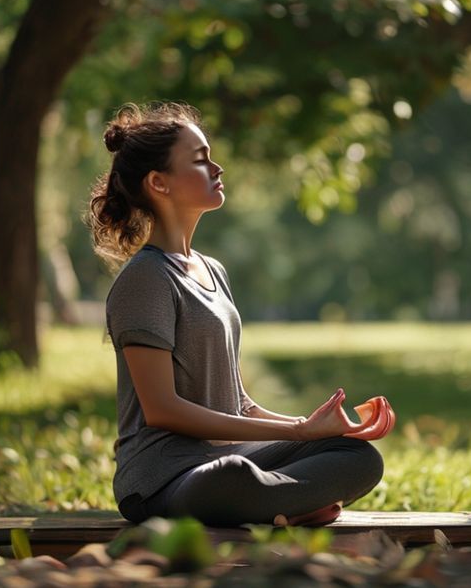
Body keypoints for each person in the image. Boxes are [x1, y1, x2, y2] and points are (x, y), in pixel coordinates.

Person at [86, 102, 392, 527]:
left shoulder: (213, 271)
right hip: (164, 477)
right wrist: (297, 434)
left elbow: (239, 403)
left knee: (357, 457)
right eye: (199, 160)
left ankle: (278, 504)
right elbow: (162, 410)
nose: (217, 168)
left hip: (228, 456)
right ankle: (283, 502)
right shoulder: (146, 279)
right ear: (159, 182)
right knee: (232, 477)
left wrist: (312, 426)